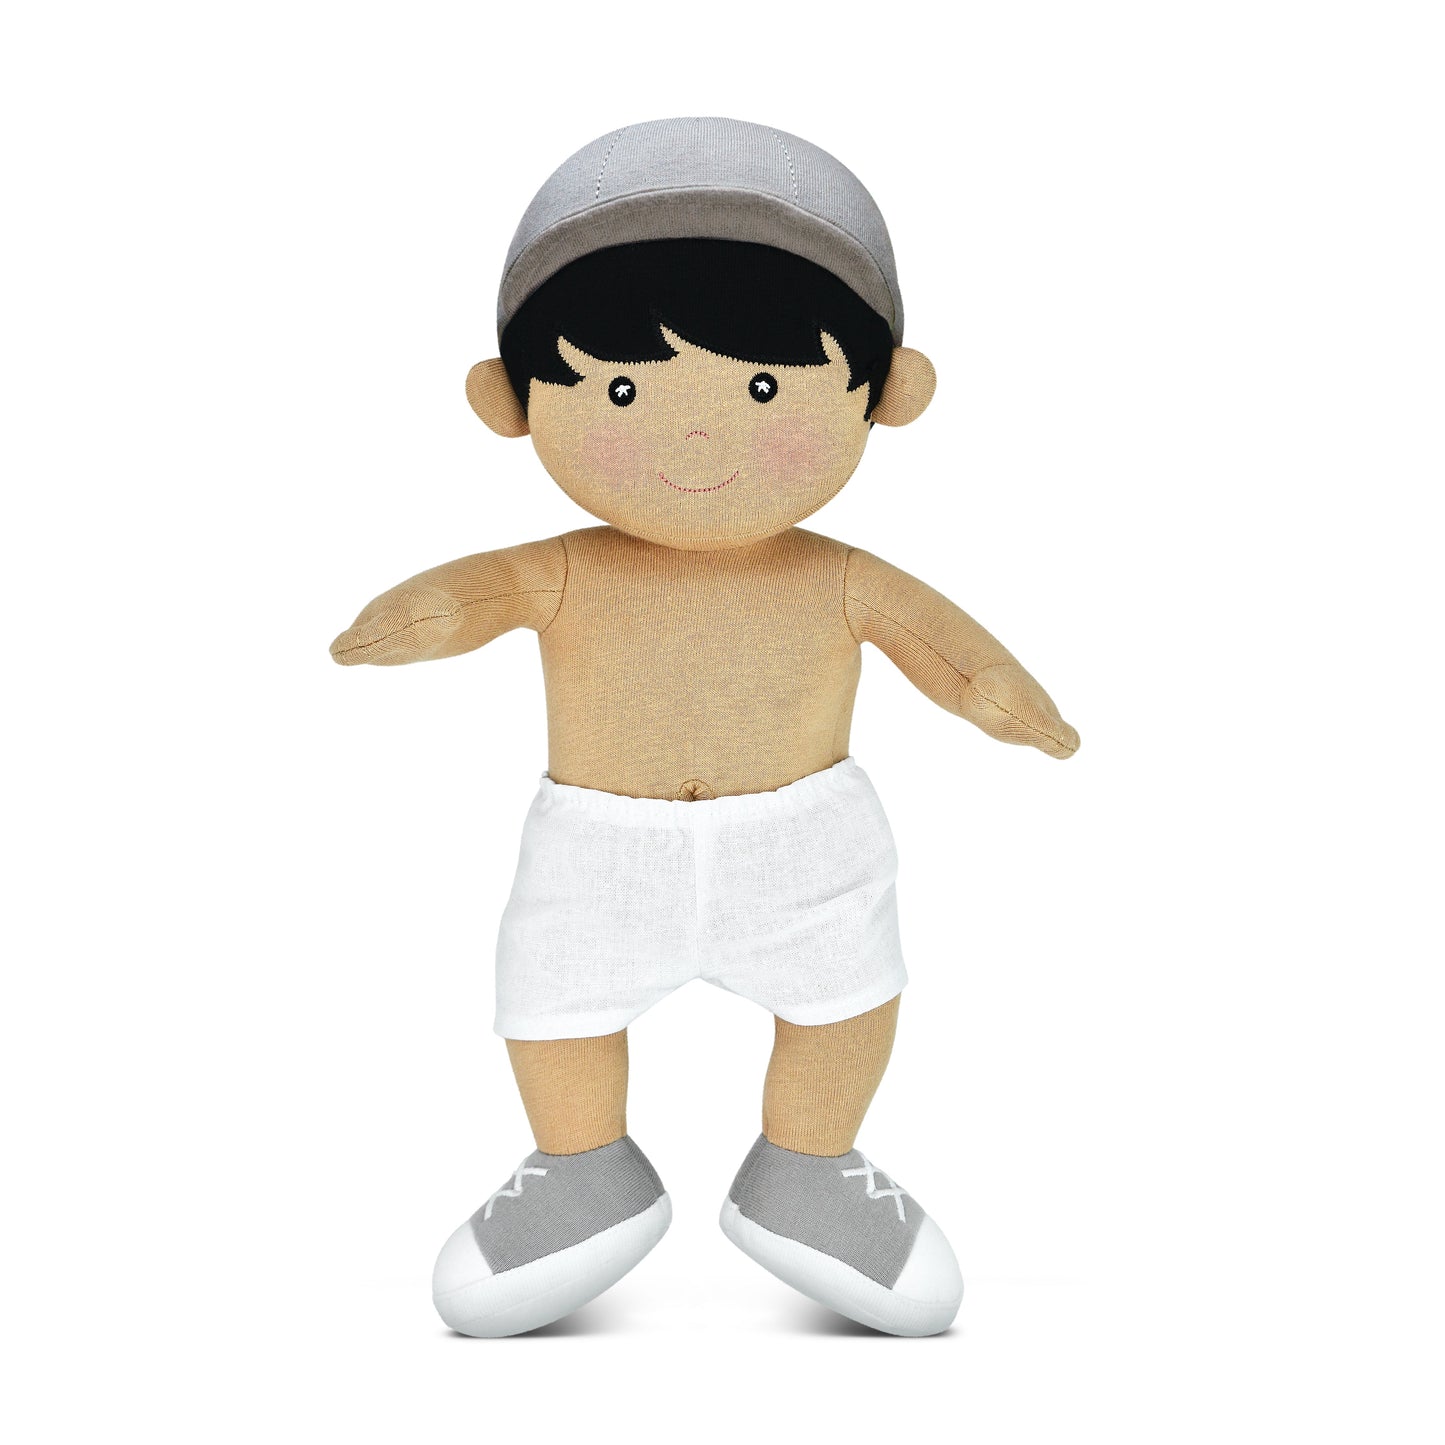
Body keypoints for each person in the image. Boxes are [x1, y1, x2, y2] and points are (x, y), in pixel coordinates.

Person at [330, 118, 1078, 1338]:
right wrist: (406, 620)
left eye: (764, 386)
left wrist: (1009, 702)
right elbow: (474, 595)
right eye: (620, 388)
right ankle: (581, 1166)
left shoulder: (837, 575)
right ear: (511, 401)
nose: (692, 432)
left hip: (804, 841)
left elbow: (947, 653)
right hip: (596, 847)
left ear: (886, 391)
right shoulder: (565, 567)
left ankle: (808, 1163)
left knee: (845, 996)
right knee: (551, 1002)